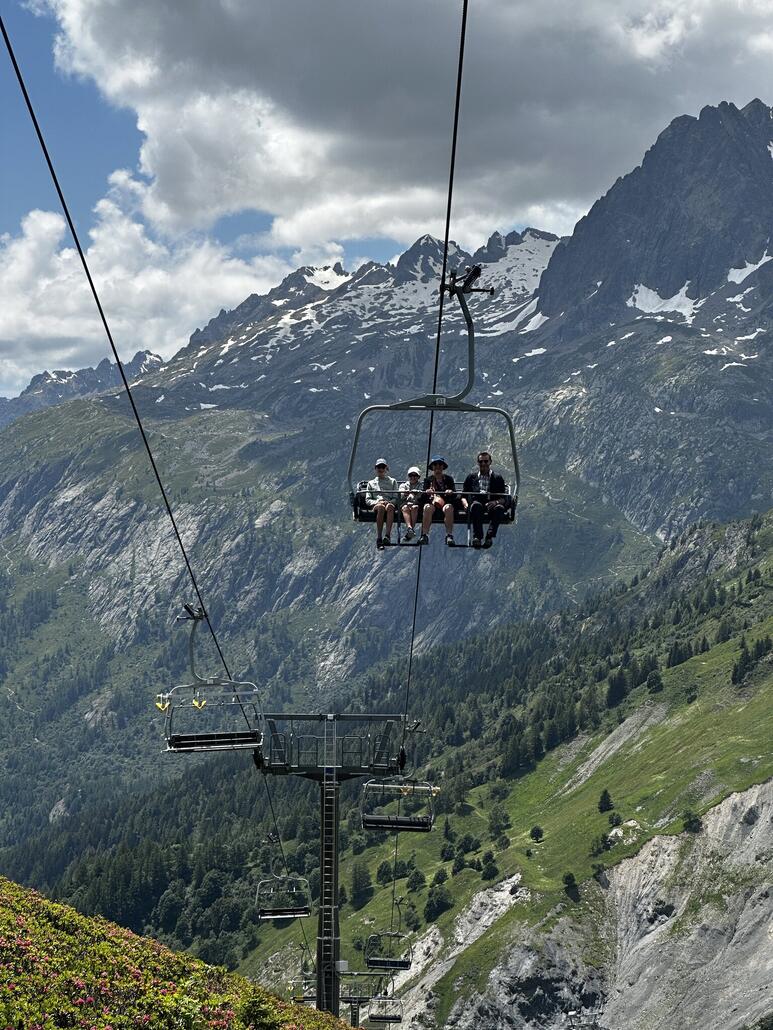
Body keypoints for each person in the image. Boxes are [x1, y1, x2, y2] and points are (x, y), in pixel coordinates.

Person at [461, 451, 507, 548]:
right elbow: (463, 495)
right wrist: (465, 504)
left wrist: (495, 502)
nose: (483, 464)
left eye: (485, 461)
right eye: (481, 461)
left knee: (499, 508)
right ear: (478, 463)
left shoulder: (497, 478)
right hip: (478, 503)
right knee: (476, 506)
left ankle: (489, 536)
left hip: (492, 504)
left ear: (490, 462)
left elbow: (504, 498)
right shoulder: (471, 478)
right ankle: (477, 537)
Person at [418, 456, 457, 547]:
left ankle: (449, 535)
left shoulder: (449, 479)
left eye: (440, 464)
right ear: (432, 467)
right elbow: (423, 496)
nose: (437, 467)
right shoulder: (428, 480)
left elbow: (454, 494)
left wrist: (450, 492)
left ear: (443, 467)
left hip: (445, 503)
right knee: (427, 507)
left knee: (449, 508)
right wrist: (427, 492)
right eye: (435, 464)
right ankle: (425, 535)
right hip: (432, 503)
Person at [365, 458, 398, 549]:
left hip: (388, 503)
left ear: (386, 468)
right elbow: (368, 500)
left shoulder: (392, 481)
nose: (381, 469)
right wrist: (377, 501)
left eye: (382, 467)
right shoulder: (371, 483)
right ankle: (379, 537)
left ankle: (387, 536)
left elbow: (396, 497)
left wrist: (389, 502)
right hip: (377, 505)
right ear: (375, 468)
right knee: (381, 507)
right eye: (379, 467)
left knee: (390, 507)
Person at [398, 466, 422, 541]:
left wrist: (414, 493)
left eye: (415, 475)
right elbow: (400, 493)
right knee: (405, 508)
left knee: (414, 507)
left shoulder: (421, 485)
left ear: (418, 477)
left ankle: (410, 530)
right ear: (408, 476)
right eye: (411, 475)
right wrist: (405, 493)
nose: (413, 477)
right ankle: (410, 528)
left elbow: (421, 494)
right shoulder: (404, 485)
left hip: (416, 505)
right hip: (405, 504)